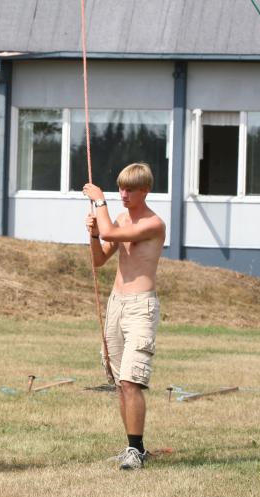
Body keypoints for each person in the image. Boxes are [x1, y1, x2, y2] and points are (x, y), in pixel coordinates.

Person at [82, 163, 165, 470]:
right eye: (120, 188)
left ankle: (136, 450)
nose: (123, 194)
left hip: (141, 307)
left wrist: (99, 201)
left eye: (130, 189)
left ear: (146, 191)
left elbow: (110, 231)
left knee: (132, 380)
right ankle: (131, 447)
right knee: (120, 381)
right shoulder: (119, 219)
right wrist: (93, 236)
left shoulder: (154, 223)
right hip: (116, 304)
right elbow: (99, 260)